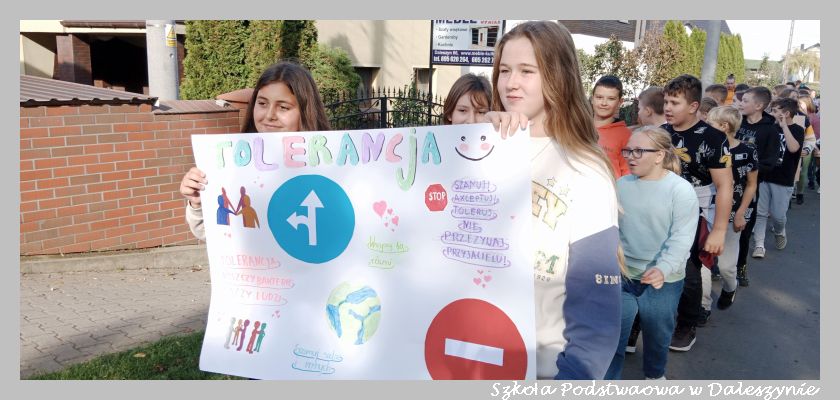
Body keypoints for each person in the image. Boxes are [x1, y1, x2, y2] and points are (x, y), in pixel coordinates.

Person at [484, 20, 621, 380]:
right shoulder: (479, 150)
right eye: (504, 70)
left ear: (558, 76)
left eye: (527, 71)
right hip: (464, 356)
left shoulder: (585, 170)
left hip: (542, 368)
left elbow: (596, 314)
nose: (511, 83)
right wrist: (476, 137)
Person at [180, 61, 331, 240]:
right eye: (262, 103)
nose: (269, 115)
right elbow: (213, 235)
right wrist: (197, 203)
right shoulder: (233, 161)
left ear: (305, 111)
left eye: (283, 107)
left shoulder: (332, 165)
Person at [604, 126, 699, 380]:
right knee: (613, 337)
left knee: (657, 336)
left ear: (659, 155)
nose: (630, 157)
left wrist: (663, 268)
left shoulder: (680, 190)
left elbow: (682, 237)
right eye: (628, 151)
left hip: (663, 280)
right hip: (623, 275)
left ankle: (654, 377)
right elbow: (610, 227)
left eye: (638, 151)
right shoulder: (621, 184)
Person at [662, 74, 733, 352]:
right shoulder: (661, 133)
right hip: (657, 210)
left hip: (695, 212)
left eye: (675, 103)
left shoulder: (714, 137)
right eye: (666, 102)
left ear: (693, 106)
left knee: (689, 271)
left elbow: (725, 185)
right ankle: (640, 322)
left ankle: (686, 325)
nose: (668, 108)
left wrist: (719, 230)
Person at [703, 106, 758, 311]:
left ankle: (730, 287)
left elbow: (751, 184)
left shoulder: (748, 150)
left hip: (733, 214)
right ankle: (703, 306)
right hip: (706, 211)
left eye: (710, 123)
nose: (706, 127)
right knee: (702, 263)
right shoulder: (706, 147)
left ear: (724, 126)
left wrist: (741, 212)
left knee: (726, 267)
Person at [734, 86, 783, 286]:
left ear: (759, 106)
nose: (741, 104)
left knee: (744, 230)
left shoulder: (770, 130)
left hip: (750, 187)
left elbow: (770, 162)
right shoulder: (737, 123)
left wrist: (748, 169)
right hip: (726, 184)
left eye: (745, 101)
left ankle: (741, 266)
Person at [752, 98, 805, 258]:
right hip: (765, 175)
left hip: (783, 178)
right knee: (761, 213)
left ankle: (780, 230)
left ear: (786, 113)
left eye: (775, 111)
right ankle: (759, 245)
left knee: (778, 215)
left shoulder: (797, 130)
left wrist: (784, 127)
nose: (771, 113)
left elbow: (793, 148)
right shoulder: (770, 127)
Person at [591, 75, 632, 177]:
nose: (604, 103)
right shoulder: (578, 127)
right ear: (592, 98)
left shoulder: (626, 136)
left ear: (620, 102)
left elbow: (628, 174)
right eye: (599, 97)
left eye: (611, 99)